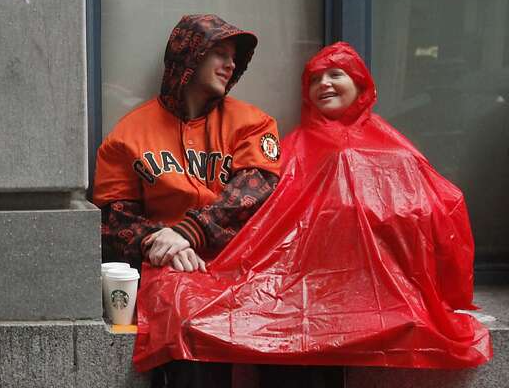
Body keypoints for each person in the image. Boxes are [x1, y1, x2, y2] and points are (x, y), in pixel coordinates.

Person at [94, 15, 359, 388]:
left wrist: (188, 228)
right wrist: (151, 241)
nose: (232, 65)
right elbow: (112, 218)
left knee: (302, 329)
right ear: (187, 58)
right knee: (184, 333)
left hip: (253, 264)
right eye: (221, 54)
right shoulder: (128, 134)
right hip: (177, 273)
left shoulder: (252, 122)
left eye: (237, 57)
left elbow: (256, 188)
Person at [137, 40, 491, 369]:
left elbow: (438, 205)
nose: (325, 84)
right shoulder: (293, 149)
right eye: (315, 79)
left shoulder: (393, 148)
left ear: (360, 84)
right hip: (304, 288)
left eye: (336, 74)